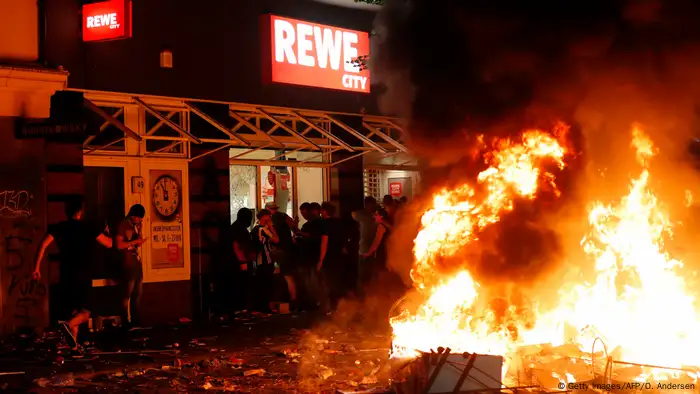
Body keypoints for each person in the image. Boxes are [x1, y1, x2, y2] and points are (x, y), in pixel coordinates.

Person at [32, 198, 113, 349]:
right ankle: (67, 326)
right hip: (83, 273)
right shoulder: (88, 227)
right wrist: (107, 233)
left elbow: (42, 245)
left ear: (66, 212)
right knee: (85, 312)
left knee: (73, 310)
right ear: (80, 212)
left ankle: (73, 346)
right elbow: (109, 243)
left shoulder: (59, 228)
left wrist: (36, 268)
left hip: (66, 274)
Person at [116, 204, 148, 328]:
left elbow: (136, 244)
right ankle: (125, 321)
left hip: (136, 262)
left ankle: (135, 319)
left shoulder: (134, 226)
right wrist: (134, 241)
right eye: (139, 218)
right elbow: (119, 245)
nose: (139, 221)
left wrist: (140, 231)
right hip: (128, 263)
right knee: (127, 293)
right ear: (133, 216)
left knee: (137, 292)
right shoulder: (123, 225)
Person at [264, 201, 299, 311]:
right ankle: (293, 300)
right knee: (288, 276)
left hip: (277, 250)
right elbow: (294, 227)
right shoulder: (284, 216)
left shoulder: (268, 220)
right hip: (288, 250)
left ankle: (279, 299)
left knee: (278, 275)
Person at [317, 202, 346, 312]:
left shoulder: (325, 224)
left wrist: (320, 260)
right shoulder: (339, 223)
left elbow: (324, 243)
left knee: (329, 283)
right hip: (339, 257)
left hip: (329, 257)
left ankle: (331, 308)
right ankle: (339, 306)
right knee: (338, 282)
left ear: (325, 211)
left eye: (322, 210)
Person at [251, 209, 279, 313]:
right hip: (266, 260)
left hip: (259, 260)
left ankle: (260, 306)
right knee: (267, 284)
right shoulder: (264, 229)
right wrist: (271, 227)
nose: (270, 219)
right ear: (264, 217)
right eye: (268, 216)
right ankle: (265, 307)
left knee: (261, 284)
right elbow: (276, 239)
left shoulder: (255, 229)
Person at [360, 208, 392, 289]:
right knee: (385, 274)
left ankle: (381, 294)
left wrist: (368, 253)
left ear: (381, 216)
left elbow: (376, 242)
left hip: (382, 254)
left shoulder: (381, 226)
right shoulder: (388, 225)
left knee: (380, 274)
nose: (374, 216)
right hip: (389, 252)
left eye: (376, 215)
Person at [352, 197, 377, 295]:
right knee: (365, 276)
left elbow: (353, 214)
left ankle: (368, 295)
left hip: (370, 250)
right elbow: (353, 214)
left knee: (369, 275)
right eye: (371, 204)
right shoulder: (365, 215)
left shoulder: (369, 215)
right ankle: (366, 296)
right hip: (365, 250)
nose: (372, 206)